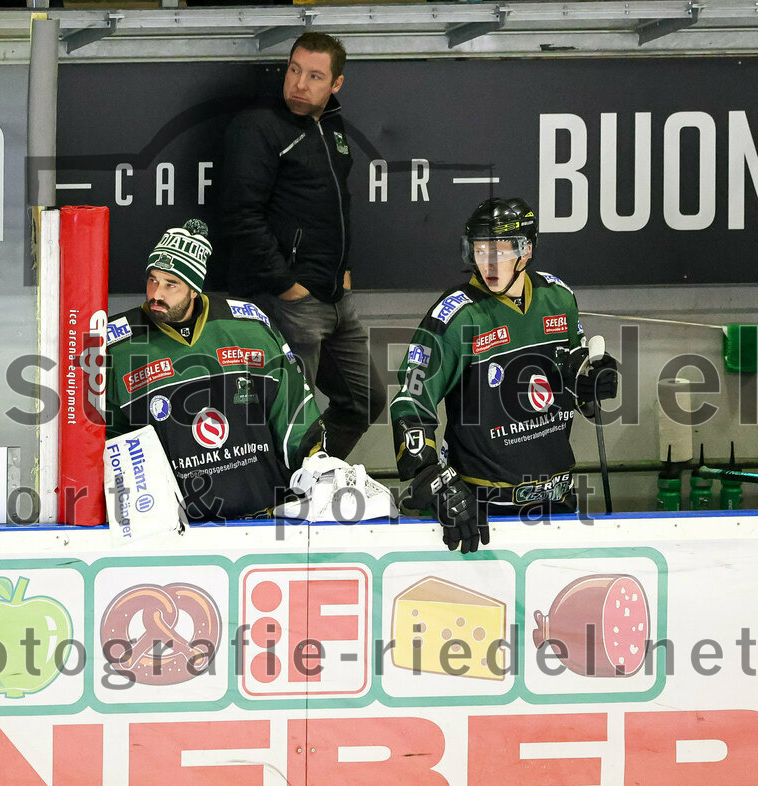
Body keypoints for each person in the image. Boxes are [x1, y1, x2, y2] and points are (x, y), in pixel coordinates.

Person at [391, 197, 618, 553]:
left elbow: (574, 393)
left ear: (526, 251)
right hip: (483, 514)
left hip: (559, 502)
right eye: (480, 251)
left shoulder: (559, 298)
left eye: (500, 251)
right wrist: (429, 477)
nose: (488, 263)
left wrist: (591, 383)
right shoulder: (456, 316)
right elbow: (410, 400)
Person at [221, 32, 385, 461]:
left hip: (335, 297)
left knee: (365, 399)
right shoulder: (258, 126)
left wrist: (342, 270)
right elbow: (241, 216)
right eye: (294, 70)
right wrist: (286, 286)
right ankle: (283, 502)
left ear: (336, 85)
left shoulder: (332, 125)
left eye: (314, 76)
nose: (299, 83)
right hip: (289, 301)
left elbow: (337, 204)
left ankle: (312, 480)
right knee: (290, 416)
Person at [105, 219, 324, 523]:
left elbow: (293, 413)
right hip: (173, 530)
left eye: (171, 284)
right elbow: (105, 441)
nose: (157, 293)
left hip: (265, 518)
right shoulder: (117, 346)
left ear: (194, 289)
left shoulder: (249, 327)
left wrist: (315, 466)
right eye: (152, 280)